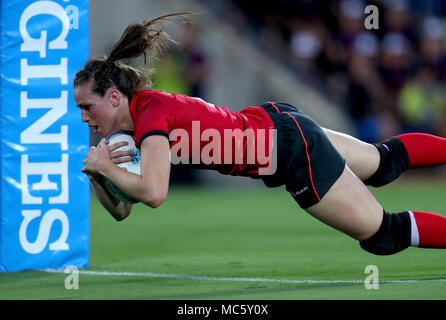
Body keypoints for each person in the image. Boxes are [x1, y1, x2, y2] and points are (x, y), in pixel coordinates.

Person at [75, 13, 446, 256]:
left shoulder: (150, 117)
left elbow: (154, 194)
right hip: (280, 124)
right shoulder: (141, 122)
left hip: (289, 151)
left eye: (87, 107)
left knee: (383, 234)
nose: (83, 117)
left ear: (113, 96)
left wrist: (107, 169)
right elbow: (123, 208)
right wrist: (98, 173)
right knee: (382, 163)